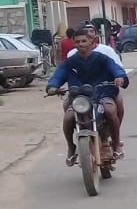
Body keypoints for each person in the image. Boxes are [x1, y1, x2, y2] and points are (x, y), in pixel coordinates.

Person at [46, 27, 128, 166]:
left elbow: (116, 69)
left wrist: (119, 77)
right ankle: (71, 147)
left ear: (91, 41)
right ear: (73, 43)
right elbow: (58, 74)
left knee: (110, 110)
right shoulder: (70, 62)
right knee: (68, 117)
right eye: (77, 41)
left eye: (84, 41)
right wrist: (53, 86)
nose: (81, 44)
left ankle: (116, 144)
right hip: (79, 97)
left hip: (102, 94)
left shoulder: (102, 58)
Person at [68, 24, 126, 128]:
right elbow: (67, 73)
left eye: (91, 31)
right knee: (68, 114)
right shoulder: (72, 55)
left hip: (105, 89)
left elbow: (117, 67)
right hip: (81, 93)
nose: (89, 33)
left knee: (116, 108)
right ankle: (73, 138)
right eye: (86, 31)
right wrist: (54, 85)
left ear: (94, 36)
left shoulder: (106, 51)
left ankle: (115, 137)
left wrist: (119, 77)